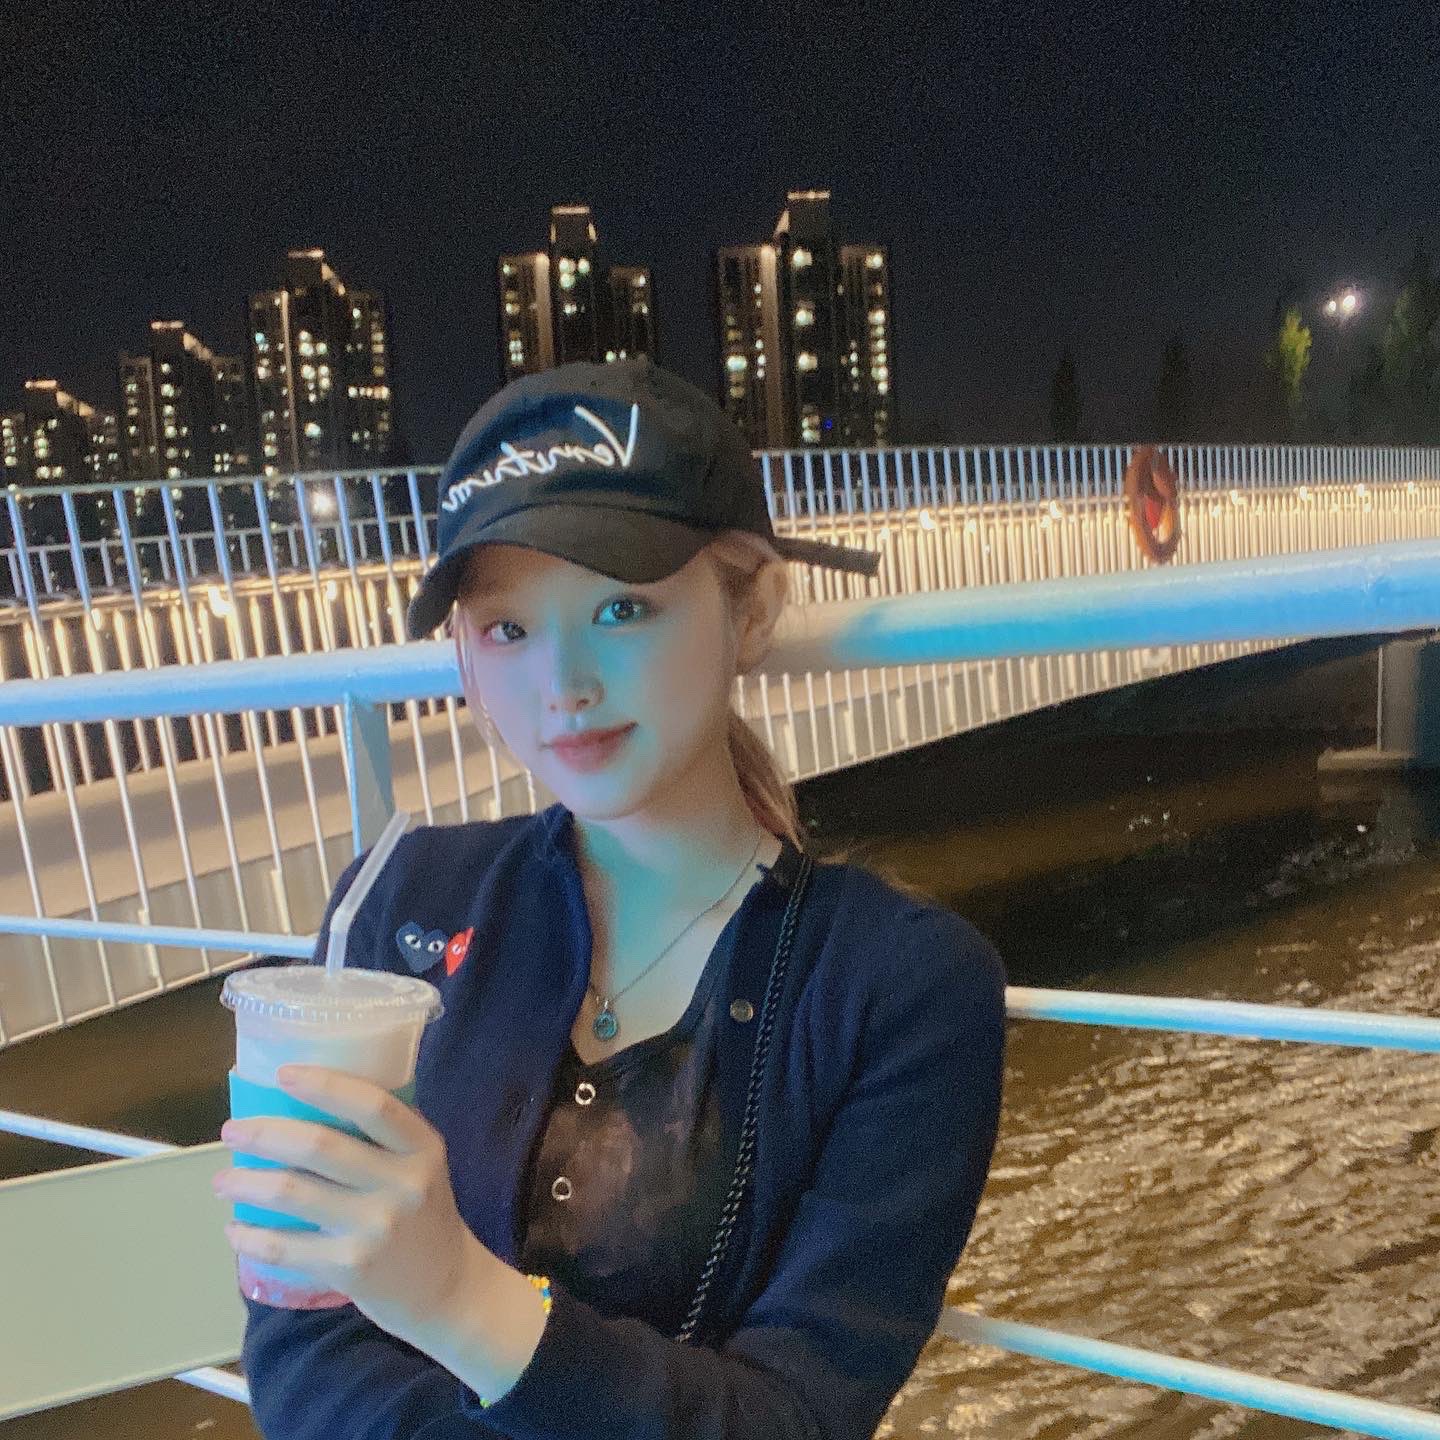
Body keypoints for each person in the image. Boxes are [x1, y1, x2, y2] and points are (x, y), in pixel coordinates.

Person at [220, 357, 1008, 1439]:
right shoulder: (399, 900)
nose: (564, 686)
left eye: (623, 608)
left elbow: (795, 1415)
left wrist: (454, 1296)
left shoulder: (899, 988)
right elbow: (303, 1340)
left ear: (753, 609)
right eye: (508, 629)